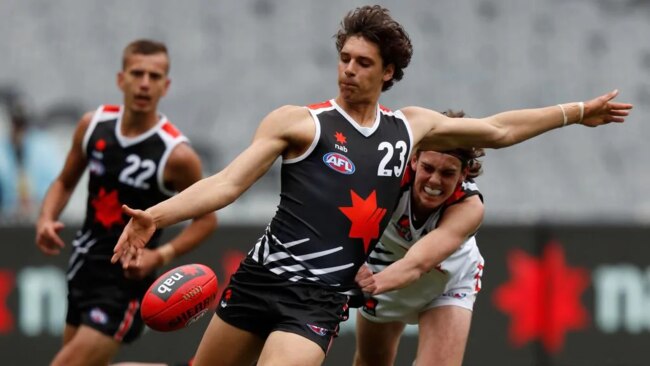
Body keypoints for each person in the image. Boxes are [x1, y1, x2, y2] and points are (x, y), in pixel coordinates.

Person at [112, 5, 632, 366]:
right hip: (257, 280)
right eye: (344, 59)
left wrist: (577, 112)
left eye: (364, 63)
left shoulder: (410, 127)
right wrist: (156, 216)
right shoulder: (299, 122)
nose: (349, 71)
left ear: (388, 73)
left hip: (317, 302)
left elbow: (497, 130)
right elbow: (226, 184)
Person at [35, 39, 217, 366]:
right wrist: (46, 217)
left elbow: (207, 219)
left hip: (126, 280)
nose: (145, 83)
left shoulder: (176, 154)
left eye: (155, 76)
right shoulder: (92, 126)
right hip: (84, 266)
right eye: (137, 73)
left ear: (166, 85)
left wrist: (159, 255)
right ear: (122, 79)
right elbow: (64, 182)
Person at [353, 110, 485, 366]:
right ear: (413, 159)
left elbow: (418, 264)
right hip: (385, 267)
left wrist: (360, 288)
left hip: (447, 281)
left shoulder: (469, 207)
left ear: (463, 174)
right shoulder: (386, 181)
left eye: (448, 173)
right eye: (428, 168)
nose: (434, 181)